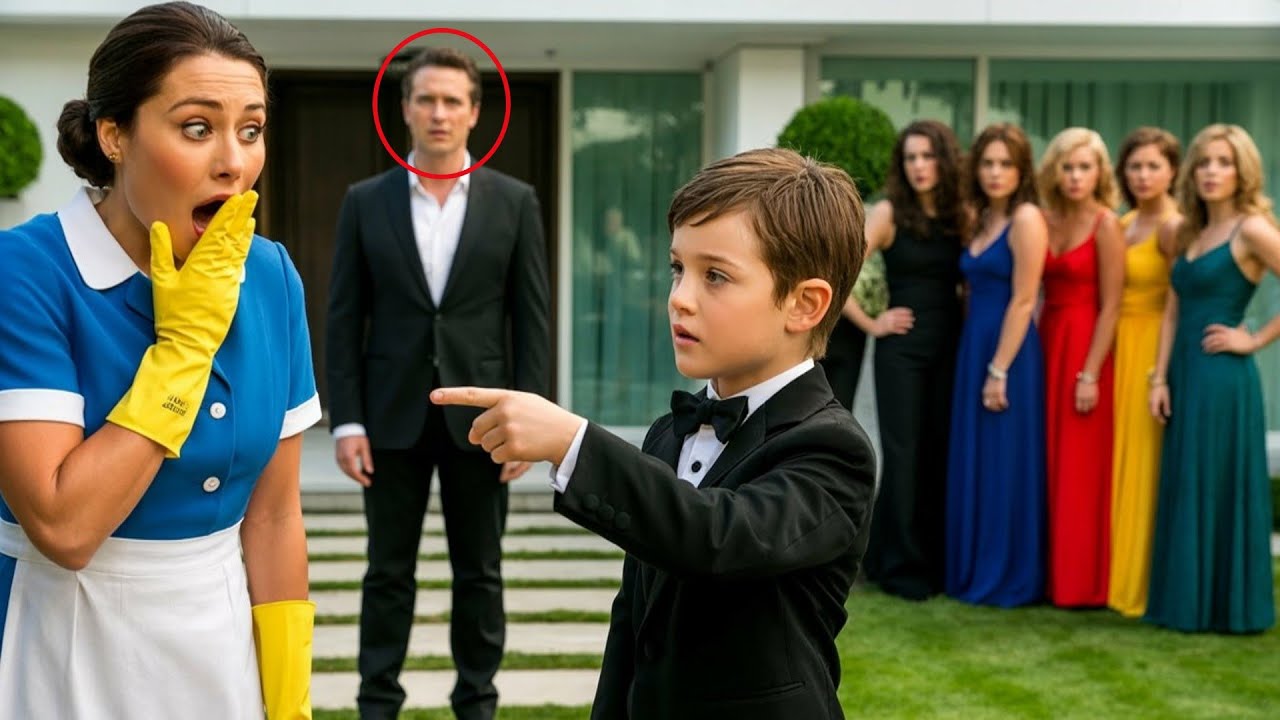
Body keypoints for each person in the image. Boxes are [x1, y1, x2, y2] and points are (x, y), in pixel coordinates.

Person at [434, 148, 876, 720]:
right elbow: (631, 626)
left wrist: (572, 442)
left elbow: (718, 537)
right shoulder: (670, 433)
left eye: (715, 276)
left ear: (804, 304)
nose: (679, 298)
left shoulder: (832, 449)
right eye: (677, 268)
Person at [0, 3, 318, 718]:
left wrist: (288, 695)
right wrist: (184, 350)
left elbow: (274, 517)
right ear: (114, 135)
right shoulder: (24, 272)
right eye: (197, 128)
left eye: (251, 130)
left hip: (220, 639)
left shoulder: (269, 275)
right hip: (60, 637)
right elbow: (64, 529)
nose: (233, 162)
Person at [324, 47, 551, 719]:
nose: (439, 112)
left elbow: (531, 319)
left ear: (475, 113)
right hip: (389, 417)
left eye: (453, 100)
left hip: (481, 418)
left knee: (480, 572)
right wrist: (347, 420)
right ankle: (377, 703)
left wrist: (527, 423)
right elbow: (343, 317)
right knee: (386, 573)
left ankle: (477, 703)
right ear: (405, 109)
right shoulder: (365, 201)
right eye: (426, 98)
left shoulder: (515, 202)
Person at [1146, 123, 1279, 634]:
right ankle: (1187, 602)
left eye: (1223, 162)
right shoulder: (1189, 231)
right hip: (1184, 373)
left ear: (1242, 171)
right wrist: (1159, 379)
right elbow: (1172, 311)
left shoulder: (1253, 230)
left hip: (1224, 378)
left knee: (1217, 484)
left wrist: (1255, 339)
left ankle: (1227, 607)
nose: (1211, 172)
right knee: (1188, 482)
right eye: (1203, 162)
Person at [845, 120, 966, 601]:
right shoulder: (888, 212)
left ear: (945, 160)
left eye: (928, 156)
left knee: (938, 452)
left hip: (951, 347)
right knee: (903, 454)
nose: (919, 166)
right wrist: (872, 323)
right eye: (911, 158)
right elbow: (839, 269)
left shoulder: (961, 214)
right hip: (901, 352)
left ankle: (931, 561)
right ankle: (898, 565)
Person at [945, 123, 1049, 607]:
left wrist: (999, 369)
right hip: (974, 346)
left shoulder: (1027, 218)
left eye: (1006, 164)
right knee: (978, 459)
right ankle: (973, 568)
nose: (995, 172)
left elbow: (1025, 299)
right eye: (987, 163)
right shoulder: (982, 217)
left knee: (1004, 461)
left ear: (1022, 170)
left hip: (1009, 353)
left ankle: (1008, 573)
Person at [1035, 128, 1124, 608]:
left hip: (1086, 346)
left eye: (1085, 167)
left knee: (1079, 469)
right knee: (1046, 462)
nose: (1075, 176)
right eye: (1067, 167)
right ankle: (1046, 575)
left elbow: (1112, 306)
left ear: (1099, 173)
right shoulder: (1045, 219)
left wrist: (1090, 373)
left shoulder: (1107, 224)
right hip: (1047, 341)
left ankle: (1081, 583)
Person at [1108, 126, 1180, 618]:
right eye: (1135, 166)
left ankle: (1142, 582)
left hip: (1153, 345)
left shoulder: (1176, 226)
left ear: (1173, 171)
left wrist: (1162, 373)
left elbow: (1179, 300)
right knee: (1118, 462)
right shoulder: (1125, 221)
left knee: (1144, 464)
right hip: (1119, 346)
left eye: (1154, 165)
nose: (1143, 175)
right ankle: (1114, 575)